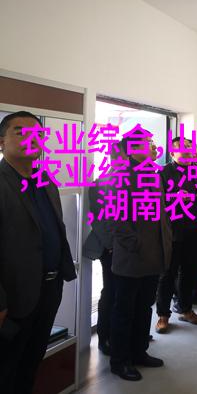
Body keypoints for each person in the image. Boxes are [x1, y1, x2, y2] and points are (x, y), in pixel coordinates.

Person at [0, 111, 77, 394]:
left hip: (48, 290)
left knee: (31, 364)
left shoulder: (45, 180)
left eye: (38, 134)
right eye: (20, 132)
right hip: (13, 298)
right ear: (1, 142)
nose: (31, 138)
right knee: (6, 370)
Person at [106, 128, 172, 381]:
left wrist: (163, 243)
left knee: (144, 307)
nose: (153, 146)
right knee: (124, 310)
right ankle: (119, 361)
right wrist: (135, 244)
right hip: (132, 257)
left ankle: (139, 352)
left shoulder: (152, 174)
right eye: (147, 142)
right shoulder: (122, 176)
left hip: (153, 254)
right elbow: (117, 219)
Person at [155, 137, 197, 334]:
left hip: (195, 231)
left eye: (190, 149)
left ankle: (186, 309)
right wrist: (175, 198)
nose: (188, 152)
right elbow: (157, 201)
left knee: (190, 273)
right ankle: (163, 315)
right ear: (172, 153)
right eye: (183, 150)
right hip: (172, 232)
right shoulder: (163, 173)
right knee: (167, 275)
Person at [82, 144, 126, 356]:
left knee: (124, 293)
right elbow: (98, 219)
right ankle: (104, 337)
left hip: (127, 248)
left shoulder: (134, 181)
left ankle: (123, 335)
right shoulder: (101, 183)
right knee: (111, 292)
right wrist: (111, 245)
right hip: (111, 248)